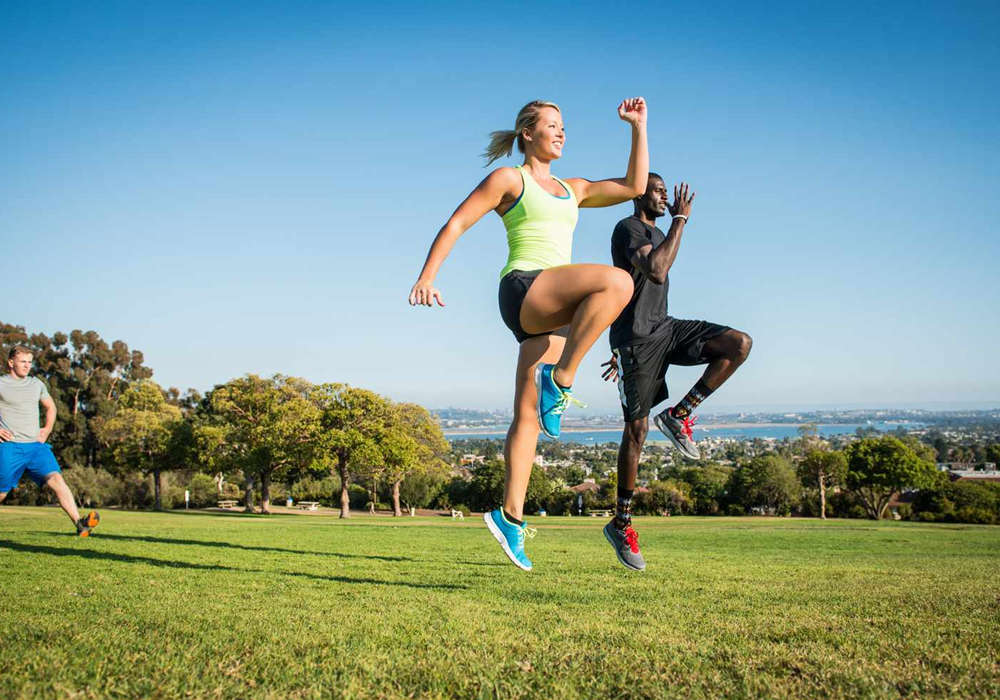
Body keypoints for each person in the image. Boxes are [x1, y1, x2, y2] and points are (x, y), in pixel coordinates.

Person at [409, 98, 649, 571]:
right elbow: (457, 221)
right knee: (618, 281)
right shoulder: (510, 180)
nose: (561, 133)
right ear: (526, 133)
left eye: (564, 127)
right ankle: (560, 380)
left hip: (556, 309)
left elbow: (633, 185)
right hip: (524, 289)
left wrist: (638, 127)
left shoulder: (572, 188)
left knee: (527, 419)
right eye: (552, 126)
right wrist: (427, 275)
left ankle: (511, 519)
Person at [600, 176, 752, 570]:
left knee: (738, 344)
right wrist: (681, 220)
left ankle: (681, 414)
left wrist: (674, 224)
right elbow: (656, 269)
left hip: (665, 328)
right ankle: (622, 522)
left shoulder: (657, 231)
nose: (664, 195)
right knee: (637, 432)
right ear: (639, 194)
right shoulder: (629, 228)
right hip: (636, 341)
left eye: (666, 190)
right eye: (656, 189)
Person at [0, 346, 100, 536]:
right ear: (11, 363)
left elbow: (51, 407)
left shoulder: (36, 384)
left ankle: (80, 524)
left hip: (36, 447)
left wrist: (47, 429)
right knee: (2, 492)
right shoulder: (1, 384)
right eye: (23, 362)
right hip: (10, 447)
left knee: (56, 479)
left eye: (29, 362)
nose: (27, 365)